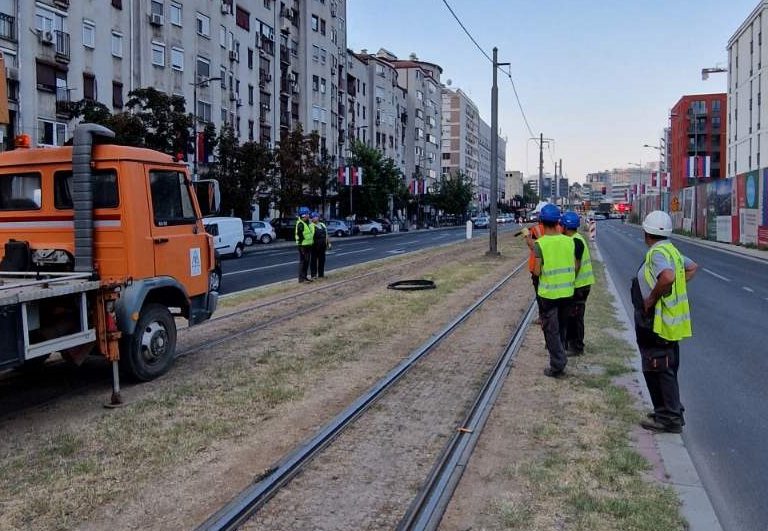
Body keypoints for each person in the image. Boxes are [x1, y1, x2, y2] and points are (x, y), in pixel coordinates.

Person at [632, 210, 697, 434]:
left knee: (658, 367)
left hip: (657, 322)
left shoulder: (658, 253)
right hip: (669, 322)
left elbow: (667, 277)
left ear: (646, 232)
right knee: (666, 367)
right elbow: (691, 267)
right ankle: (669, 410)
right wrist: (671, 289)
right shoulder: (672, 250)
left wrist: (652, 298)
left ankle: (669, 418)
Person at [532, 204, 579, 378]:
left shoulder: (540, 244)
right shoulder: (569, 241)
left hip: (549, 295)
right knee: (562, 327)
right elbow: (574, 265)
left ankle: (557, 364)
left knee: (551, 331)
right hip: (567, 293)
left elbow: (537, 271)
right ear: (558, 222)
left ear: (542, 222)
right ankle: (561, 355)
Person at [560, 211, 593, 356]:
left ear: (566, 227)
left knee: (575, 317)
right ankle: (570, 344)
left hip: (579, 286)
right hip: (581, 285)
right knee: (572, 316)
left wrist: (568, 281)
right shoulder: (576, 238)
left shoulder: (575, 241)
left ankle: (577, 347)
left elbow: (577, 266)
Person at [295, 206, 315, 283]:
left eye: (308, 214)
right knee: (303, 262)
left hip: (308, 245)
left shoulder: (306, 222)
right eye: (306, 214)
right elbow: (299, 235)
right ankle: (301, 279)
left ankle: (305, 277)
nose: (308, 216)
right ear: (303, 215)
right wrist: (301, 245)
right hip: (303, 246)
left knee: (306, 262)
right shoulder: (300, 224)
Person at [310, 211, 329, 279]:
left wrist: (328, 243)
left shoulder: (322, 225)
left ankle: (321, 274)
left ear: (317, 217)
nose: (313, 219)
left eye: (314, 217)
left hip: (322, 245)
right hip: (314, 246)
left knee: (322, 260)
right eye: (312, 217)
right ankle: (313, 275)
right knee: (313, 261)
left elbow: (326, 234)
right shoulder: (311, 225)